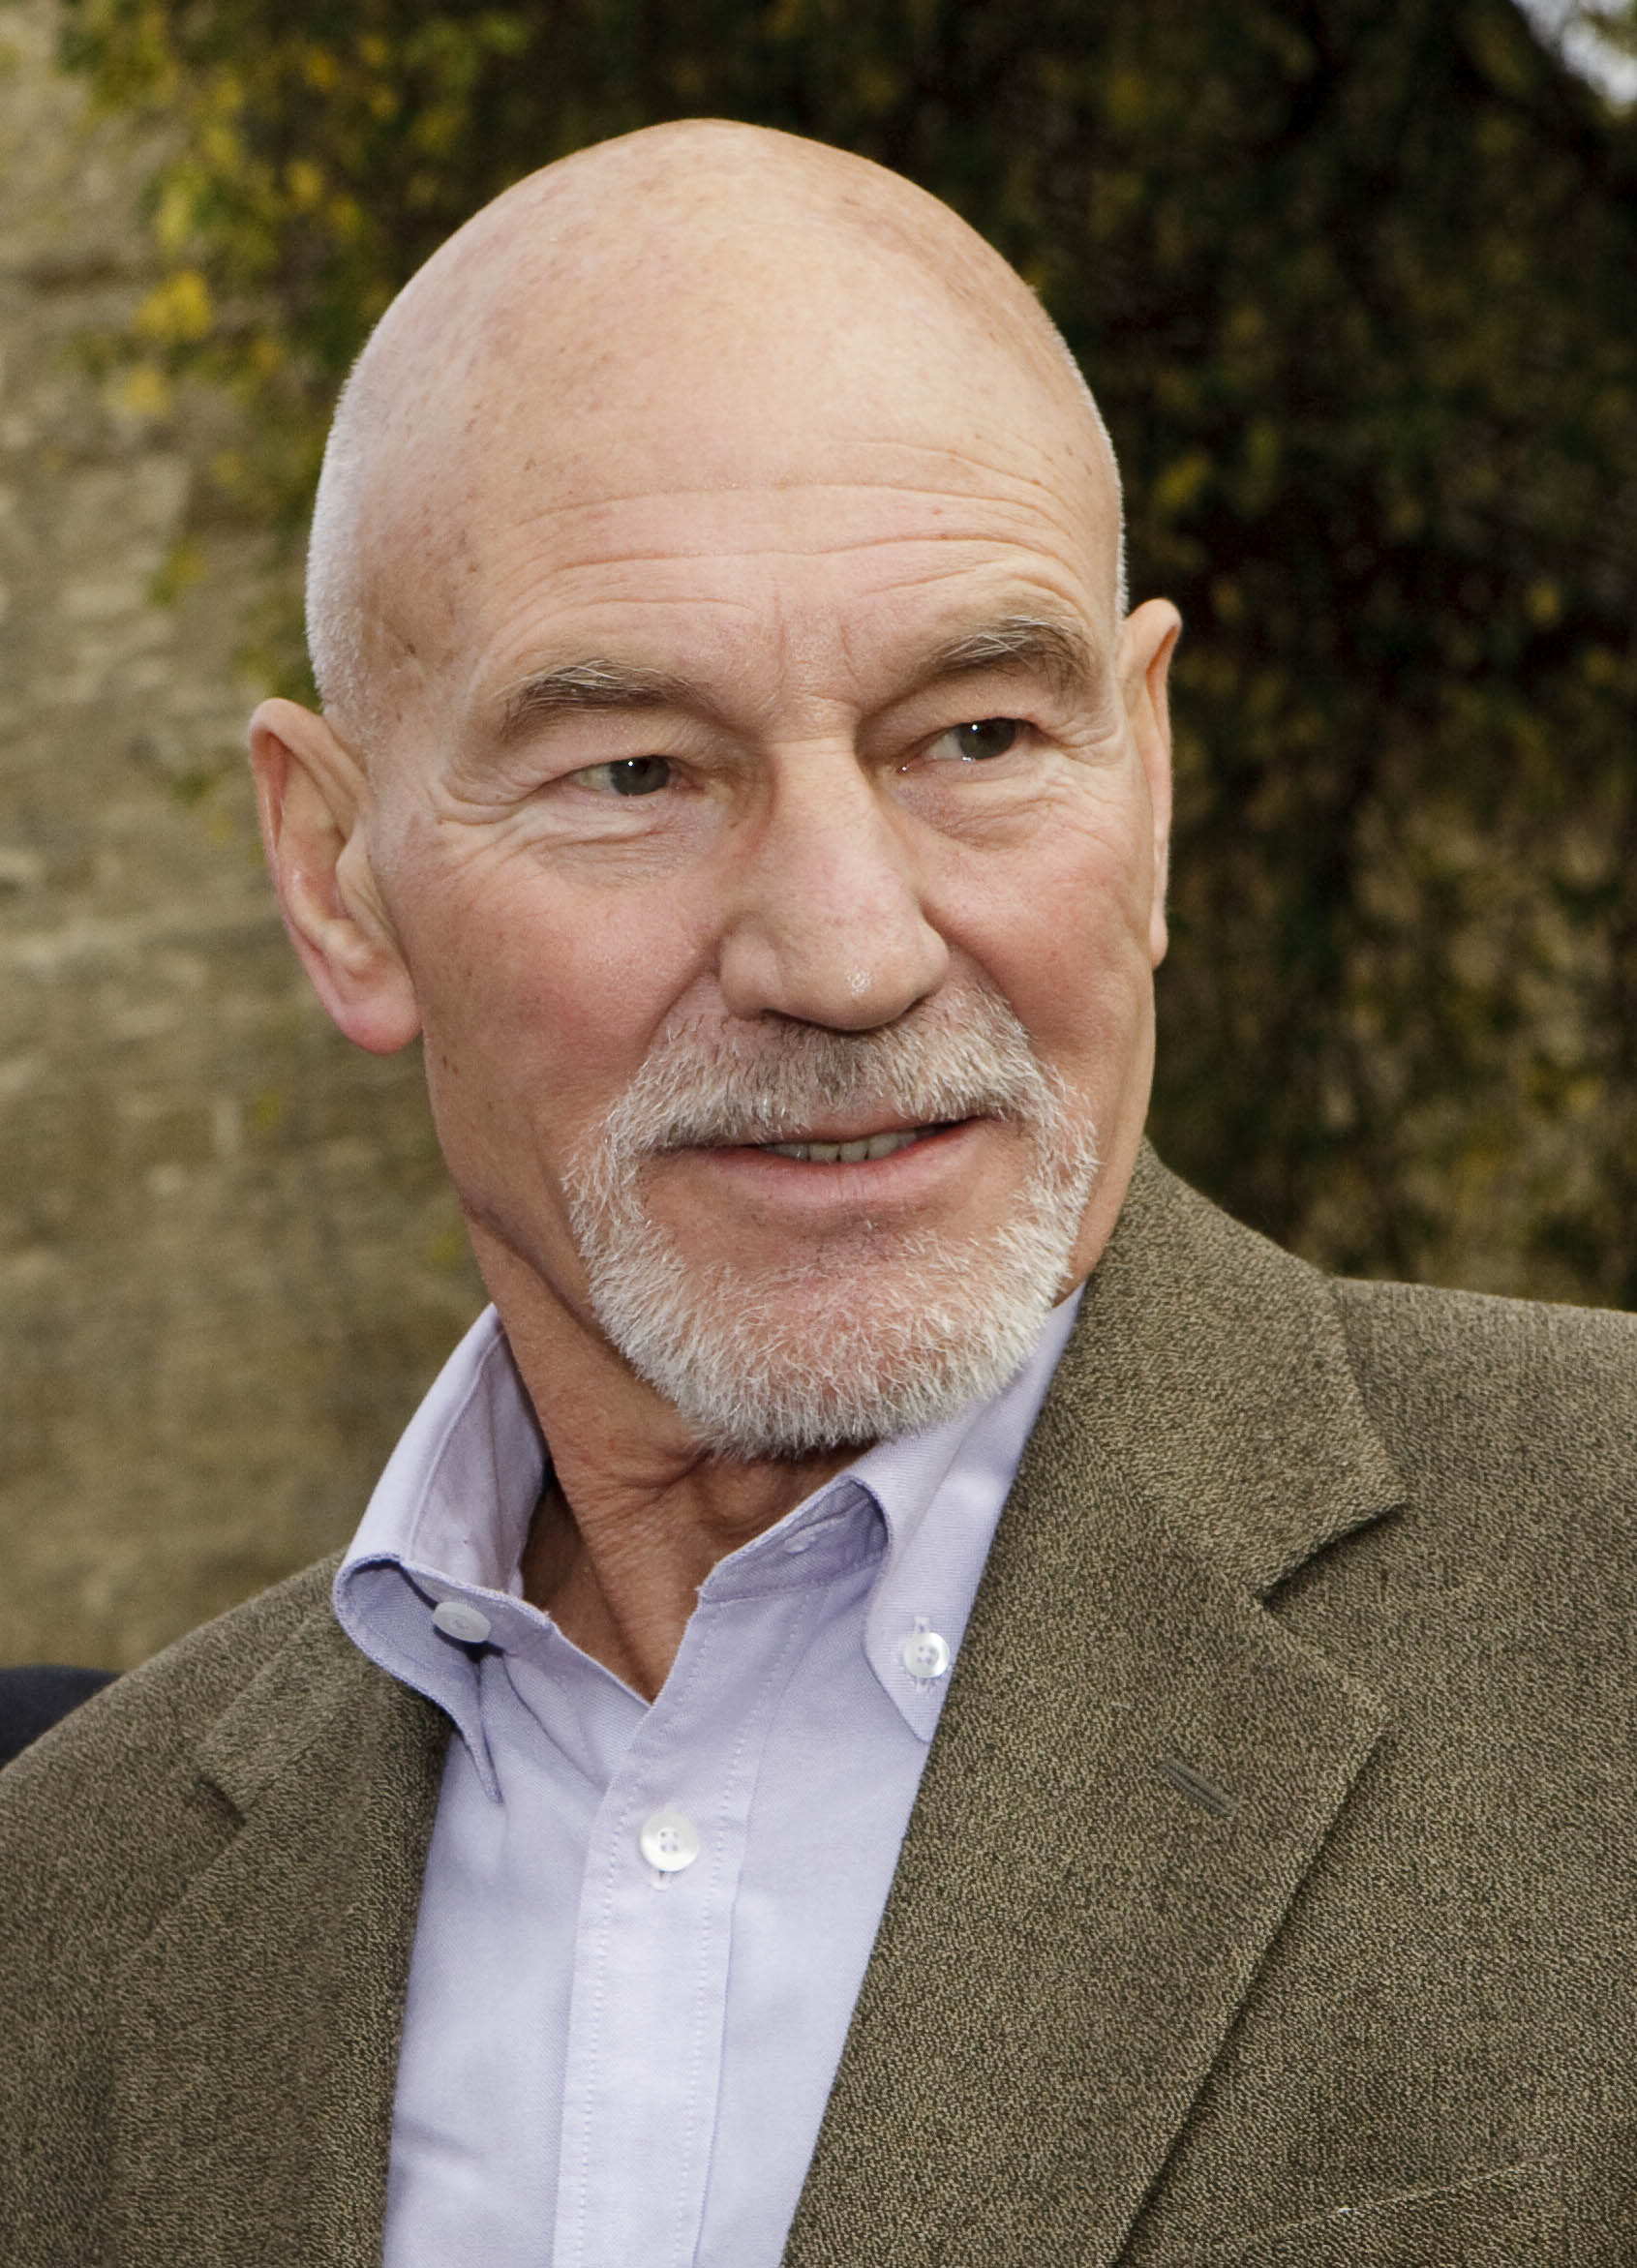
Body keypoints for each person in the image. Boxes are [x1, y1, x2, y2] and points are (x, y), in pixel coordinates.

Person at [3, 118, 1635, 2268]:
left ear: (1146, 781)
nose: (850, 952)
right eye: (636, 772)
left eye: (977, 736)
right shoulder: (60, 1919)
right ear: (339, 881)